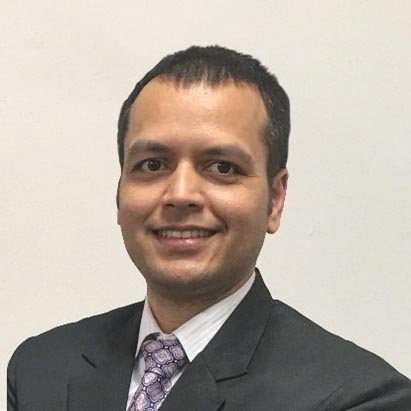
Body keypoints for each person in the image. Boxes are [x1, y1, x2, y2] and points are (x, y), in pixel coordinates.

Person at [7, 45, 411, 411]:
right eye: (152, 165)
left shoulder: (360, 397)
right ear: (119, 192)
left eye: (222, 167)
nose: (180, 194)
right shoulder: (41, 368)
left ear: (275, 199)